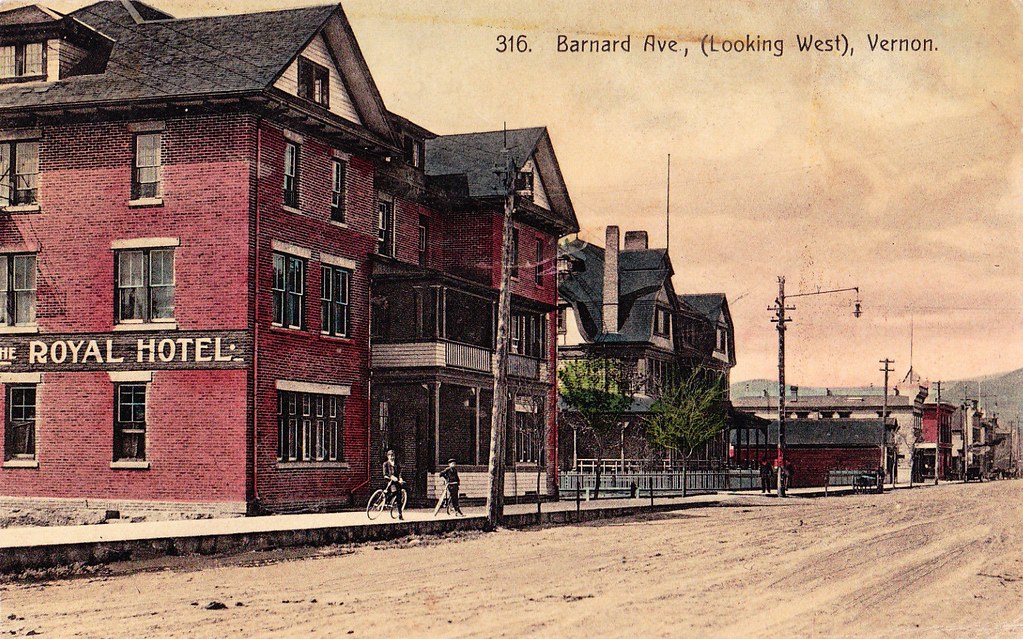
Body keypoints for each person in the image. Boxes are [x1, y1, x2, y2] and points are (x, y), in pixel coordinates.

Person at [382, 449, 406, 520]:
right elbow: (385, 474)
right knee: (394, 491)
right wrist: (391, 477)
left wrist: (400, 479)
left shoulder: (397, 465)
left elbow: (399, 474)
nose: (392, 457)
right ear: (388, 456)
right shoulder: (385, 464)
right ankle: (386, 498)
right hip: (389, 481)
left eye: (393, 456)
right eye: (390, 456)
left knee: (399, 497)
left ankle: (400, 514)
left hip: (396, 482)